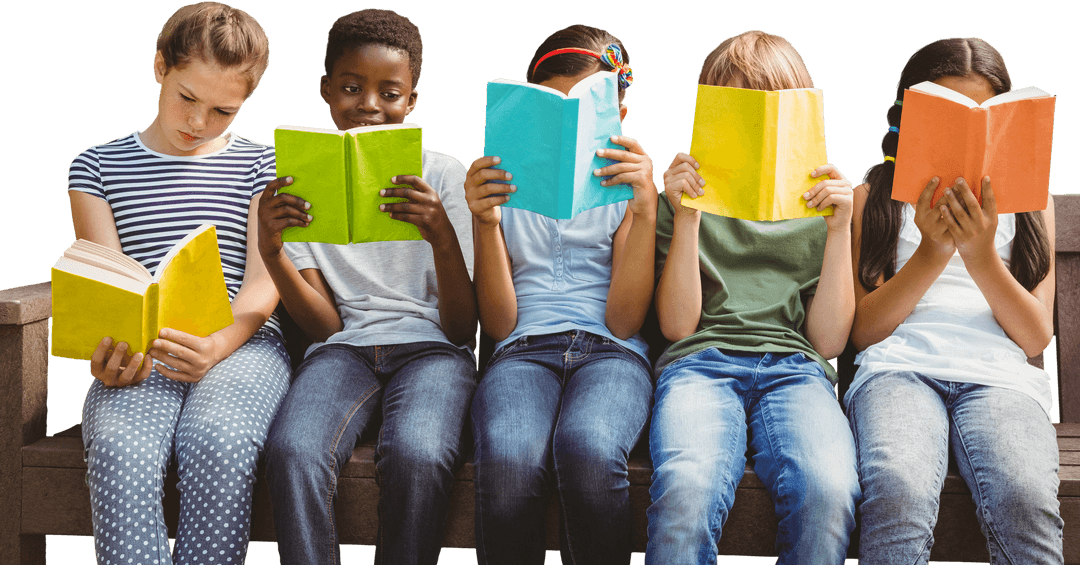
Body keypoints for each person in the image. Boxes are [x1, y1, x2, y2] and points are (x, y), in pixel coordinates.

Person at [69, 3, 290, 564]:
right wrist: (113, 354)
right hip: (144, 349)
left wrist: (217, 345)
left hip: (241, 342)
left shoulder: (262, 166)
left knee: (220, 439)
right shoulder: (96, 167)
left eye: (223, 111)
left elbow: (264, 283)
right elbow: (108, 284)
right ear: (160, 68)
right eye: (187, 97)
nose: (198, 122)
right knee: (119, 447)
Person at [258, 9, 476, 565]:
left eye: (390, 93)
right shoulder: (299, 183)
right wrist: (272, 253)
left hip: (433, 350)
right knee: (293, 450)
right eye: (352, 88)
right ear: (326, 91)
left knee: (419, 454)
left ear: (412, 101)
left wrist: (440, 234)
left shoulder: (444, 175)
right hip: (344, 349)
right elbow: (325, 325)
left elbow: (460, 328)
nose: (370, 106)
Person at [646, 30, 860, 565]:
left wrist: (840, 230)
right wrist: (688, 218)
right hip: (699, 364)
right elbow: (677, 326)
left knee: (828, 490)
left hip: (797, 369)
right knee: (687, 487)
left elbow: (829, 341)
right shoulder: (682, 196)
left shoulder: (823, 204)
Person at [848, 36, 1062, 564]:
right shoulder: (872, 198)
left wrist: (981, 254)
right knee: (897, 488)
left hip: (1001, 377)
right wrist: (932, 252)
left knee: (1025, 496)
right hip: (898, 370)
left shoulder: (1032, 204)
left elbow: (1035, 336)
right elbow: (863, 332)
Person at [463, 23, 656, 565]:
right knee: (508, 459)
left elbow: (624, 322)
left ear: (617, 114)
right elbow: (498, 325)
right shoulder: (499, 185)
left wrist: (645, 212)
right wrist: (485, 223)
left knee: (589, 450)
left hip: (612, 351)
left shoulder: (630, 192)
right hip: (521, 349)